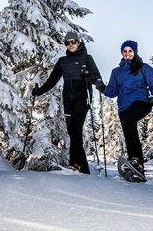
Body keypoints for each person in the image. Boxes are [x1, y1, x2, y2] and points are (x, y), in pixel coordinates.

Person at [31, 31, 105, 174]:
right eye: (67, 43)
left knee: (76, 130)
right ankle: (79, 167)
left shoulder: (87, 58)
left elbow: (96, 76)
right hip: (68, 100)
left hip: (82, 99)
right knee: (72, 133)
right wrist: (39, 91)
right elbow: (52, 80)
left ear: (78, 42)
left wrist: (95, 81)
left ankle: (77, 165)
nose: (70, 45)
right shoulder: (62, 62)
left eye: (73, 42)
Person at [102, 39, 153, 181]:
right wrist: (101, 87)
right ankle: (136, 165)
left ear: (135, 52)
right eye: (125, 51)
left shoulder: (143, 67)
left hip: (141, 102)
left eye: (130, 51)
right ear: (121, 53)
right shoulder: (116, 72)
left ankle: (136, 160)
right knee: (129, 131)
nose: (127, 53)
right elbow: (112, 92)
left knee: (129, 121)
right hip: (124, 107)